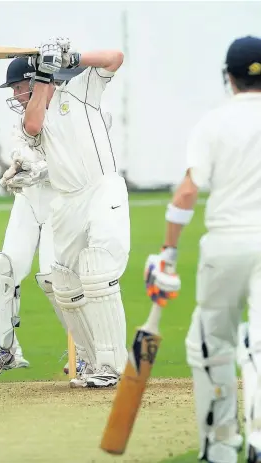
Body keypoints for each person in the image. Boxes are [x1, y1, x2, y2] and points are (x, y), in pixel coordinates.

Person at [0, 38, 130, 388]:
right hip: (66, 203)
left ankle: (113, 366)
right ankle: (93, 363)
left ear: (34, 81)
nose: (18, 96)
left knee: (96, 273)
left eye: (21, 87)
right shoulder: (30, 116)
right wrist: (45, 77)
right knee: (64, 284)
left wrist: (73, 57)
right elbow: (33, 127)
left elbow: (115, 56)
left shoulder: (81, 89)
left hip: (101, 189)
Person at [143, 36, 261, 463]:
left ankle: (221, 445)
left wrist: (168, 255)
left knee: (212, 345)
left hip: (226, 245)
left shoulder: (213, 122)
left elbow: (188, 193)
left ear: (227, 77)